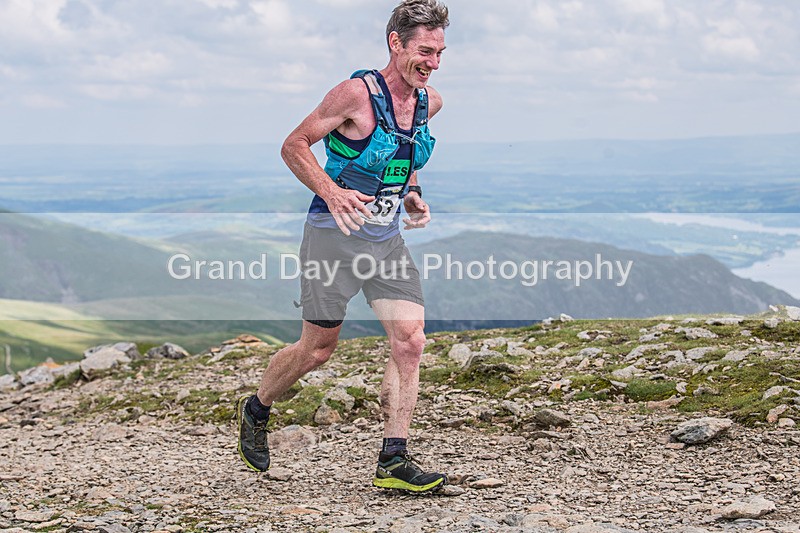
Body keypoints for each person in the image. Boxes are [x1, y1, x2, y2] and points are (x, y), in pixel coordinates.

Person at [236, 0, 449, 493]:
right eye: (424, 50)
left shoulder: (427, 102)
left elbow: (405, 151)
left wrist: (412, 193)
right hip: (332, 240)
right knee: (317, 350)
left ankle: (393, 460)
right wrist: (330, 192)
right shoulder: (354, 94)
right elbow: (294, 144)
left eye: (439, 52)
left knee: (410, 341)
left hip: (386, 240)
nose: (433, 62)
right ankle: (256, 407)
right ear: (395, 43)